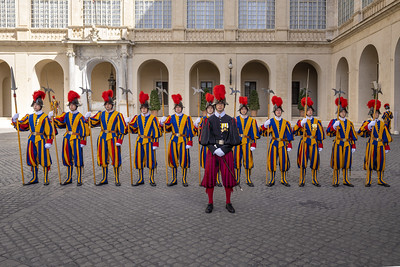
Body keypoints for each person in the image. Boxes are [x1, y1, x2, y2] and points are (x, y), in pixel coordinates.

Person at [200, 84, 241, 213]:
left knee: (228, 177)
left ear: (224, 105)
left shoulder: (230, 120)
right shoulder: (209, 120)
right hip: (213, 152)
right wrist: (213, 149)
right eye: (217, 104)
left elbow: (234, 138)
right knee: (210, 176)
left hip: (226, 152)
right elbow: (204, 138)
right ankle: (210, 202)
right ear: (214, 105)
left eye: (221, 104)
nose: (219, 106)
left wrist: (225, 149)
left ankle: (228, 202)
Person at [11, 90, 53, 185]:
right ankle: (35, 177)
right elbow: (22, 126)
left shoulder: (45, 117)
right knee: (32, 158)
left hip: (42, 140)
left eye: (37, 105)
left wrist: (49, 141)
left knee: (44, 158)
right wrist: (14, 120)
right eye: (34, 104)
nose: (35, 106)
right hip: (32, 140)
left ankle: (46, 178)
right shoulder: (29, 117)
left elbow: (49, 130)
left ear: (41, 106)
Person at [88, 90, 127, 186]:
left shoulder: (118, 115)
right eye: (106, 104)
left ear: (112, 105)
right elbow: (92, 122)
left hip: (113, 138)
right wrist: (87, 118)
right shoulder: (101, 114)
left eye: (109, 104)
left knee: (115, 158)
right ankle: (104, 178)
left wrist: (120, 140)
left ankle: (117, 179)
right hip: (102, 138)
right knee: (103, 158)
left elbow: (122, 129)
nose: (108, 106)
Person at [51, 90, 89, 186]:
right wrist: (52, 118)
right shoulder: (66, 115)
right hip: (67, 138)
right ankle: (69, 177)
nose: (71, 106)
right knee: (67, 158)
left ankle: (79, 178)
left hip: (76, 139)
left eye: (73, 105)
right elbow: (60, 122)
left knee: (78, 158)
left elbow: (84, 129)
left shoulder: (80, 117)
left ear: (76, 105)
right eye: (70, 105)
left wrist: (83, 141)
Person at [160, 94, 195, 187]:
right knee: (173, 159)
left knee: (184, 159)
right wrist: (162, 122)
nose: (178, 109)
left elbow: (190, 130)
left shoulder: (187, 118)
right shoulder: (171, 117)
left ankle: (184, 179)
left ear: (182, 108)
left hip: (183, 140)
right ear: (174, 108)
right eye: (176, 107)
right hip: (173, 140)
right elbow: (166, 128)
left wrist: (190, 141)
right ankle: (174, 179)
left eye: (179, 107)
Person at [128, 91, 161, 186]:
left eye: (145, 108)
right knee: (139, 159)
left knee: (151, 160)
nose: (143, 110)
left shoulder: (153, 118)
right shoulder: (137, 118)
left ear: (147, 109)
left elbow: (156, 132)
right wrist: (128, 123)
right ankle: (140, 178)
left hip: (149, 141)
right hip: (139, 141)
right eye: (142, 108)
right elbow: (132, 128)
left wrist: (155, 143)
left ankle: (151, 179)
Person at [260, 96, 293, 187]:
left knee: (283, 161)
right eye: (277, 110)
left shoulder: (286, 122)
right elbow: (262, 133)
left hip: (282, 143)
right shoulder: (270, 121)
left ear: (281, 112)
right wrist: (264, 126)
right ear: (274, 112)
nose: (278, 112)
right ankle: (272, 179)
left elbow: (289, 134)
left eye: (279, 110)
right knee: (272, 161)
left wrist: (289, 144)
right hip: (273, 143)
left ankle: (283, 179)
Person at [358, 99, 392, 187]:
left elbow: (385, 135)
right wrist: (368, 127)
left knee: (380, 162)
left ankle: (380, 179)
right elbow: (361, 133)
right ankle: (368, 180)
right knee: (370, 161)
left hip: (380, 145)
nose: (376, 114)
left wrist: (386, 146)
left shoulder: (382, 123)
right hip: (372, 144)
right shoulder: (368, 122)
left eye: (377, 113)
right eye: (374, 113)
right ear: (371, 114)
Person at [293, 97, 325, 187]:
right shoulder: (302, 121)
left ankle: (314, 179)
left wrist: (320, 144)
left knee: (314, 161)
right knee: (303, 161)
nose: (310, 112)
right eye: (308, 110)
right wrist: (301, 124)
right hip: (305, 142)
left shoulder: (315, 121)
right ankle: (302, 179)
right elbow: (295, 131)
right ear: (305, 112)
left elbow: (317, 132)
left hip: (314, 142)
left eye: (311, 110)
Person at [326, 97, 357, 187]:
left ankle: (345, 179)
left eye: (344, 112)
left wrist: (353, 145)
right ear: (338, 113)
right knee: (337, 162)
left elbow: (352, 135)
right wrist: (334, 127)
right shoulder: (334, 121)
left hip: (347, 144)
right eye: (341, 112)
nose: (343, 113)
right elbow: (328, 132)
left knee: (346, 162)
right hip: (338, 144)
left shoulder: (349, 123)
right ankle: (335, 180)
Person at [194, 93, 222, 186]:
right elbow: (196, 131)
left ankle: (217, 179)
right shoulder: (202, 119)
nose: (210, 109)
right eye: (208, 108)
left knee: (216, 163)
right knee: (207, 163)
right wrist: (196, 124)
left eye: (211, 108)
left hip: (215, 144)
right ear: (206, 110)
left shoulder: (218, 118)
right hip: (206, 144)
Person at [233, 96, 260, 186]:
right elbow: (232, 132)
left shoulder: (252, 120)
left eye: (245, 109)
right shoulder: (235, 119)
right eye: (242, 109)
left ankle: (248, 179)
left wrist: (254, 144)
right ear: (240, 110)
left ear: (247, 110)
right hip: (237, 143)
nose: (243, 110)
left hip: (248, 143)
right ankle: (237, 179)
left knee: (248, 161)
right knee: (237, 161)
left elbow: (254, 132)